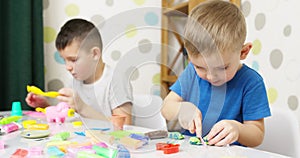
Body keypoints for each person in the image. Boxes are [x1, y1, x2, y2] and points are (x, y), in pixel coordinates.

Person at [161, 0, 270, 147]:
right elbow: (166, 107)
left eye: (222, 68)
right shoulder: (191, 73)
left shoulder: (251, 82)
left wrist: (238, 129)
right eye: (200, 67)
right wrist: (182, 109)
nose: (211, 76)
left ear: (243, 52)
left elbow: (257, 135)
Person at [25, 18, 132, 124]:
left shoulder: (116, 80)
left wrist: (82, 108)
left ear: (94, 54)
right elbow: (68, 118)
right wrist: (45, 106)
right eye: (64, 60)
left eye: (73, 60)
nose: (68, 67)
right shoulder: (74, 80)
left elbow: (125, 127)